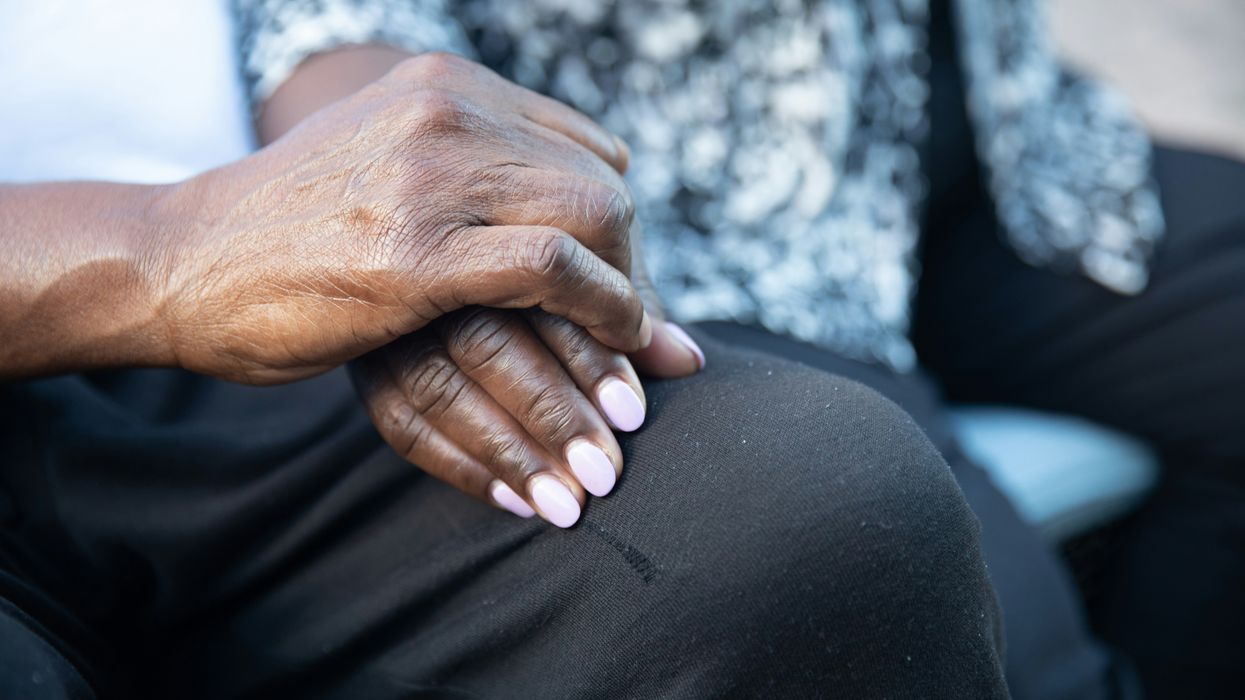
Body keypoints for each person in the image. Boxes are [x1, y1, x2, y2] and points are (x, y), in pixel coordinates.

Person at [0, 1, 1239, 698]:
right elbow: (331, 26)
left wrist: (384, 205)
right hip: (673, 207)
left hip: (929, 134)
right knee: (891, 537)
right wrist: (196, 242)